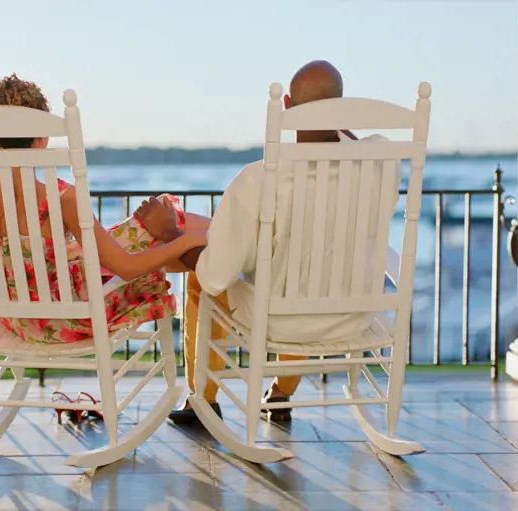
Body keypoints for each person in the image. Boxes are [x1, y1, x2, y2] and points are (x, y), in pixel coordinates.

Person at [134, 60, 400, 424]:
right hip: (354, 318)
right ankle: (280, 395)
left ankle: (204, 402)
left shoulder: (259, 180)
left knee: (202, 282)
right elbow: (365, 143)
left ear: (286, 106)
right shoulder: (381, 164)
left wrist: (172, 235)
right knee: (310, 276)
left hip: (281, 322)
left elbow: (216, 276)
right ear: (341, 109)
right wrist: (333, 117)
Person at [0, 73, 208, 347]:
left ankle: (193, 240)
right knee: (164, 228)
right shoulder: (62, 198)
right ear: (42, 138)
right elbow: (127, 269)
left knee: (122, 240)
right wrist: (185, 240)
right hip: (67, 323)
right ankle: (211, 244)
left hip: (14, 319)